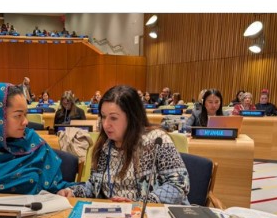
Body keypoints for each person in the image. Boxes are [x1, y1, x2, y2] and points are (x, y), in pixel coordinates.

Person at [58, 85, 189, 204]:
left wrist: (140, 204)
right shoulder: (104, 144)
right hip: (113, 215)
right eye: (103, 116)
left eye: (113, 118)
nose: (105, 124)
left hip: (150, 216)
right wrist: (73, 192)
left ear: (132, 117)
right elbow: (94, 186)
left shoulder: (157, 140)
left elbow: (179, 184)